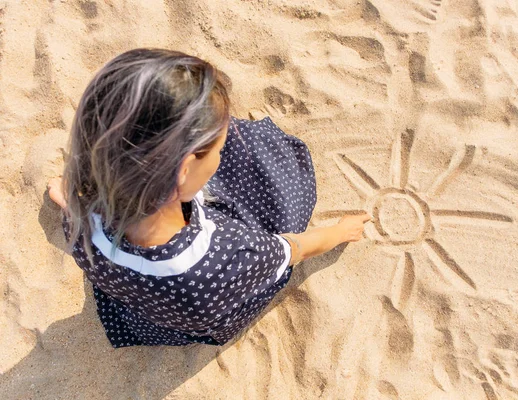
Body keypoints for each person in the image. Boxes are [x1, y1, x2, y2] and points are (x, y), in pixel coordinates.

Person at [47, 48, 371, 348]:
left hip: (142, 308)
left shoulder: (78, 220)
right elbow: (295, 248)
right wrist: (341, 231)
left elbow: (78, 203)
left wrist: (69, 199)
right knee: (285, 200)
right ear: (184, 170)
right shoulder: (230, 255)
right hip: (204, 303)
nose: (223, 147)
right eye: (219, 147)